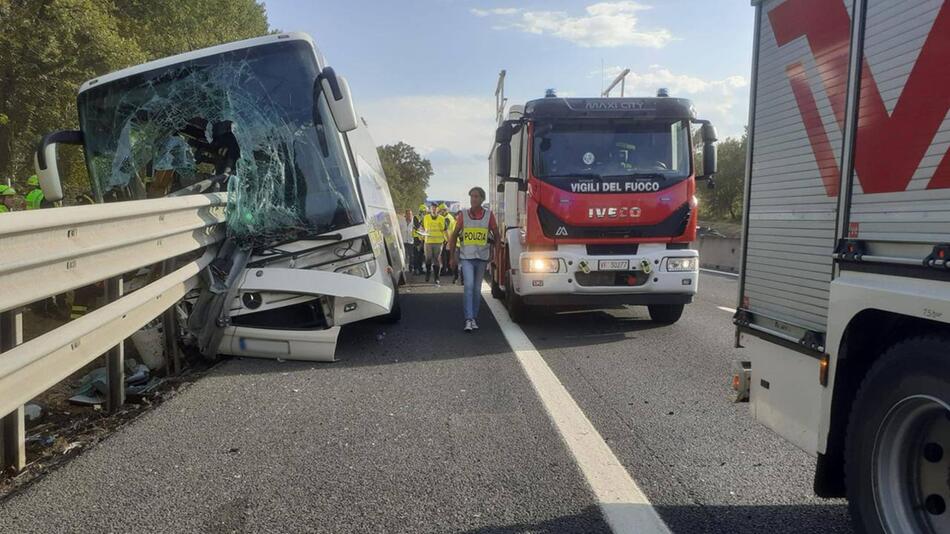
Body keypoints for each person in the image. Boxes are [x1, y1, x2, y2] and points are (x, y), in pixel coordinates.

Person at [448, 186, 499, 332]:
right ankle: (468, 318)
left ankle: (474, 318)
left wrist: (495, 254)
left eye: (476, 196)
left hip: (482, 257)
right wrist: (452, 257)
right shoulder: (463, 215)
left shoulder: (489, 215)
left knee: (477, 289)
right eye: (471, 196)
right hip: (467, 257)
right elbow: (454, 236)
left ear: (482, 199)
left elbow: (496, 235)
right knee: (469, 285)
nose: (473, 199)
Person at [422, 202, 447, 285]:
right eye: (432, 207)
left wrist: (448, 241)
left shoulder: (442, 218)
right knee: (428, 259)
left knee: (436, 260)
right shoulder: (425, 218)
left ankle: (437, 278)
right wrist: (421, 237)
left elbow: (445, 230)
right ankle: (428, 273)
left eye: (435, 207)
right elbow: (422, 228)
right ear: (430, 208)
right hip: (428, 242)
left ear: (438, 209)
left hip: (438, 242)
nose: (434, 209)